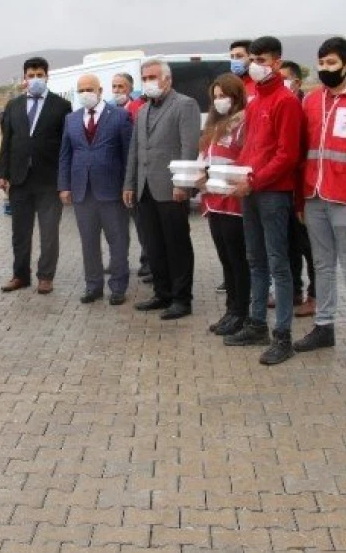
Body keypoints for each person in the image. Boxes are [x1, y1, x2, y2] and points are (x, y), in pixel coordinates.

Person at [292, 38, 346, 364]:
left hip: (345, 197)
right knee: (322, 265)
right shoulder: (311, 101)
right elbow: (302, 155)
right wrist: (300, 199)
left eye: (331, 63)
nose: (325, 69)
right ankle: (323, 326)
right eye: (321, 63)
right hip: (314, 197)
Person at [226, 36, 303, 365]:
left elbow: (287, 155)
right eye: (252, 59)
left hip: (273, 193)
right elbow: (251, 147)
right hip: (252, 190)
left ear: (276, 62)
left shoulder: (286, 101)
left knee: (278, 264)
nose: (254, 65)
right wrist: (234, 173)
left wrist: (254, 179)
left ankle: (283, 335)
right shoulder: (256, 101)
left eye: (261, 59)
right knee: (254, 259)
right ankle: (257, 323)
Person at [123, 58, 200, 320]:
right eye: (144, 78)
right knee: (153, 245)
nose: (148, 83)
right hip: (145, 188)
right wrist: (130, 183)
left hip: (171, 188)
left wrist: (183, 183)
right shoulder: (142, 110)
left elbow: (189, 148)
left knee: (176, 245)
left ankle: (181, 299)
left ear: (167, 79)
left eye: (153, 77)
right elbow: (135, 149)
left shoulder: (185, 105)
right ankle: (162, 292)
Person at [0, 57, 72, 295]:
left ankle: (46, 276)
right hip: (20, 180)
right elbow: (7, 142)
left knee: (49, 233)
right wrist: (2, 174)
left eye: (40, 74)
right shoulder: (14, 105)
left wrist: (64, 180)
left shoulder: (61, 105)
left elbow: (65, 146)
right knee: (20, 232)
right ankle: (20, 275)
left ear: (47, 76)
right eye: (31, 75)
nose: (35, 79)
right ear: (25, 78)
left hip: (49, 180)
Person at [58, 74, 133, 305]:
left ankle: (118, 287)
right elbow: (65, 155)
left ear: (100, 91)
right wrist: (64, 186)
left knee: (117, 241)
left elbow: (129, 154)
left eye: (89, 89)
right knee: (88, 242)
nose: (85, 94)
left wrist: (128, 185)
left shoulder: (120, 116)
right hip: (82, 191)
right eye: (81, 90)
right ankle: (93, 286)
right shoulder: (71, 119)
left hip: (112, 191)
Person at [197, 74, 251, 336]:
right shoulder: (213, 126)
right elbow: (204, 158)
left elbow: (246, 160)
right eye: (216, 97)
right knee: (225, 260)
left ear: (237, 96)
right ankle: (231, 309)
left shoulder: (244, 123)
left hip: (234, 202)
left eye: (224, 96)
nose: (219, 101)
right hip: (214, 201)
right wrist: (199, 174)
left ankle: (242, 311)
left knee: (238, 259)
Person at [279, 61, 316, 316]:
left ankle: (315, 296)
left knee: (309, 247)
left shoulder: (307, 107)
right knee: (289, 244)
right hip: (284, 189)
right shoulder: (280, 106)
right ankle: (293, 291)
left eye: (285, 79)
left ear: (297, 82)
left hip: (306, 188)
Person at [113, 72, 150, 282]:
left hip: (136, 176)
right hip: (116, 176)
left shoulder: (138, 109)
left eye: (121, 87)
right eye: (115, 87)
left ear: (130, 88)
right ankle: (119, 260)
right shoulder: (109, 109)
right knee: (118, 224)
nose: (117, 91)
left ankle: (148, 260)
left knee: (141, 222)